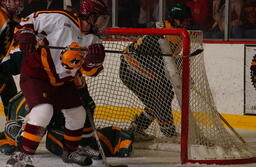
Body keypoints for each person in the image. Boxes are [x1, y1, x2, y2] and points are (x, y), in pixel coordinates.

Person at [5, 0, 109, 166]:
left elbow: (90, 72)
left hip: (63, 82)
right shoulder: (61, 19)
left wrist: (94, 62)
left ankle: (70, 151)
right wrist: (25, 33)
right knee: (43, 111)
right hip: (37, 75)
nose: (102, 24)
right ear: (89, 16)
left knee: (78, 114)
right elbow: (28, 21)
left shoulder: (94, 40)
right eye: (100, 19)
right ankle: (22, 156)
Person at [119, 2, 194, 141]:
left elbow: (170, 59)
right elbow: (151, 59)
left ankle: (136, 129)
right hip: (131, 66)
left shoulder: (177, 34)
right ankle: (169, 133)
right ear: (176, 19)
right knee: (163, 93)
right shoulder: (161, 32)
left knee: (158, 99)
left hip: (141, 66)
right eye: (185, 20)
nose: (187, 22)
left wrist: (184, 75)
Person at [0, 0, 20, 153]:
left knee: (12, 101)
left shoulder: (11, 17)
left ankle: (10, 136)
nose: (17, 2)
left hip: (2, 69)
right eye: (14, 0)